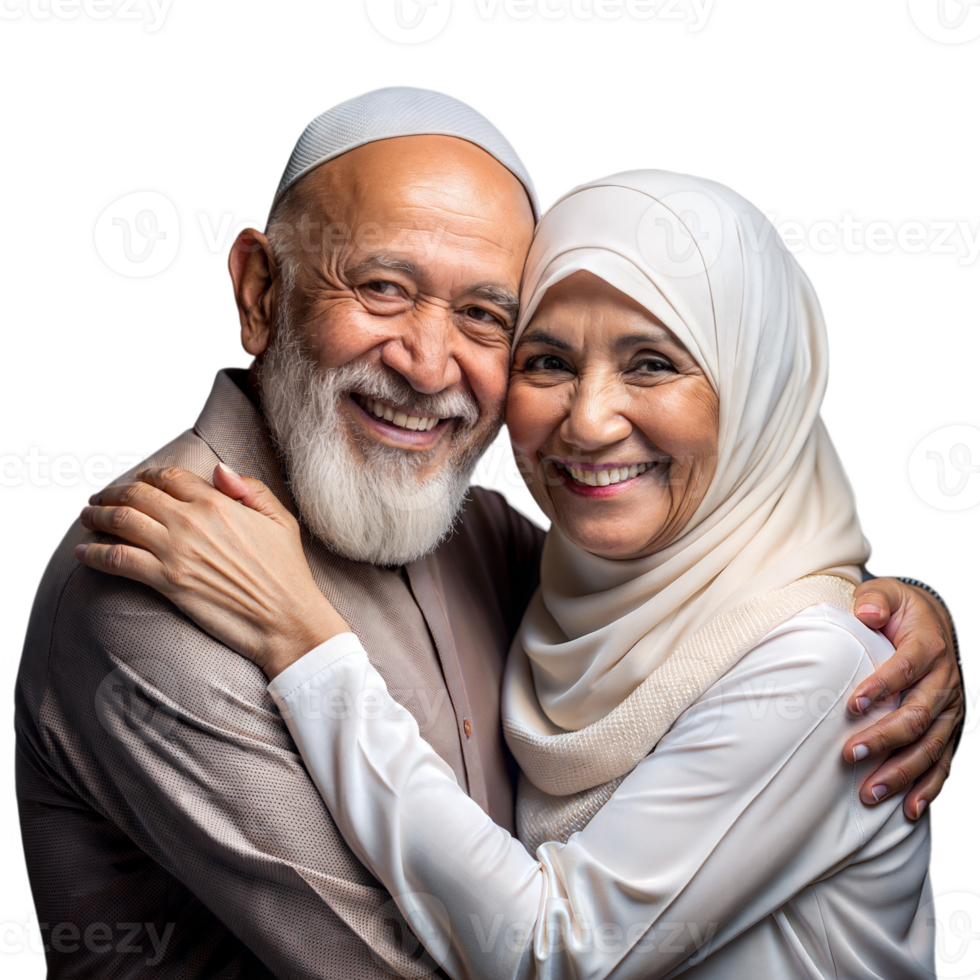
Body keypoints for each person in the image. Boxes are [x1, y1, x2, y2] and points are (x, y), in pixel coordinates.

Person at [12, 86, 960, 978]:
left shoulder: (484, 535)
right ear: (260, 290)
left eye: (484, 316)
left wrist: (889, 625)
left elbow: (703, 629)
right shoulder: (161, 577)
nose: (429, 365)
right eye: (382, 286)